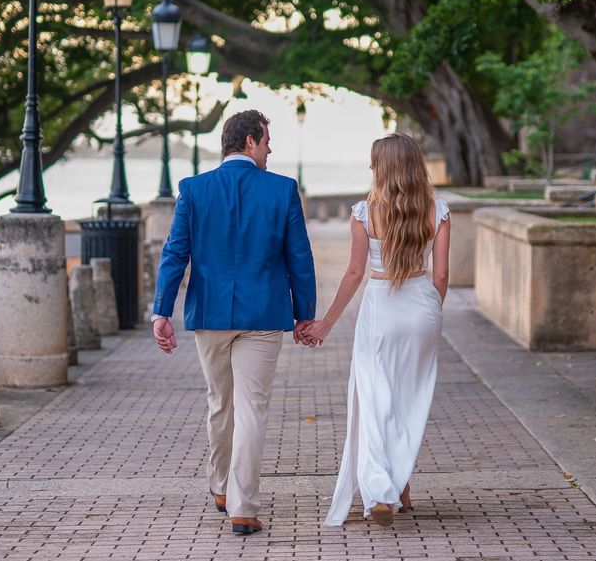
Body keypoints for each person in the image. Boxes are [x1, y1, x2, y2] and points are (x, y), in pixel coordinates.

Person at [150, 110, 318, 536]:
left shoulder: (194, 189)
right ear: (248, 142)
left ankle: (222, 487)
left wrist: (161, 311)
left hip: (210, 315)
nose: (270, 149)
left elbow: (175, 254)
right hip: (262, 315)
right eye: (266, 141)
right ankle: (242, 506)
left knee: (220, 403)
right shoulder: (282, 190)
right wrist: (305, 314)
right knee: (252, 408)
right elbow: (299, 257)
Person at [306, 134, 450, 528]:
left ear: (381, 167)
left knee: (373, 402)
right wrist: (429, 311)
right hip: (422, 307)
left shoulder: (364, 213)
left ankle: (379, 490)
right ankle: (399, 487)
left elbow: (354, 274)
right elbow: (441, 276)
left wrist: (326, 323)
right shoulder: (436, 211)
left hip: (381, 308)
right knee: (408, 402)